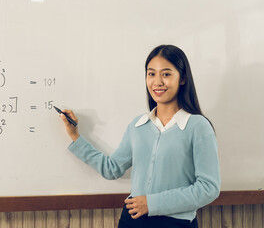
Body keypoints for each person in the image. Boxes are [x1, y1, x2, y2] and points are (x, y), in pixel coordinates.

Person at [58, 44, 221, 228]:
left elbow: (209, 188)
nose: (157, 82)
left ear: (182, 78)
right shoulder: (138, 125)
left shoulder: (198, 126)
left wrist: (152, 204)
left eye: (166, 74)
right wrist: (75, 136)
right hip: (132, 220)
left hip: (176, 223)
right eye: (151, 74)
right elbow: (112, 169)